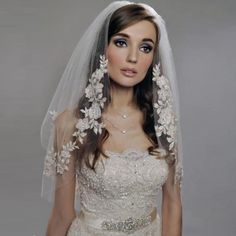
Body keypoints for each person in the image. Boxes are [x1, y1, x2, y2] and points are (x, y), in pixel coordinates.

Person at [40, 1, 183, 235]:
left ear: (153, 58)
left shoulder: (165, 122)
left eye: (145, 47)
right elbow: (62, 215)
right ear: (102, 50)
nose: (133, 57)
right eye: (121, 42)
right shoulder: (71, 123)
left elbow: (173, 204)